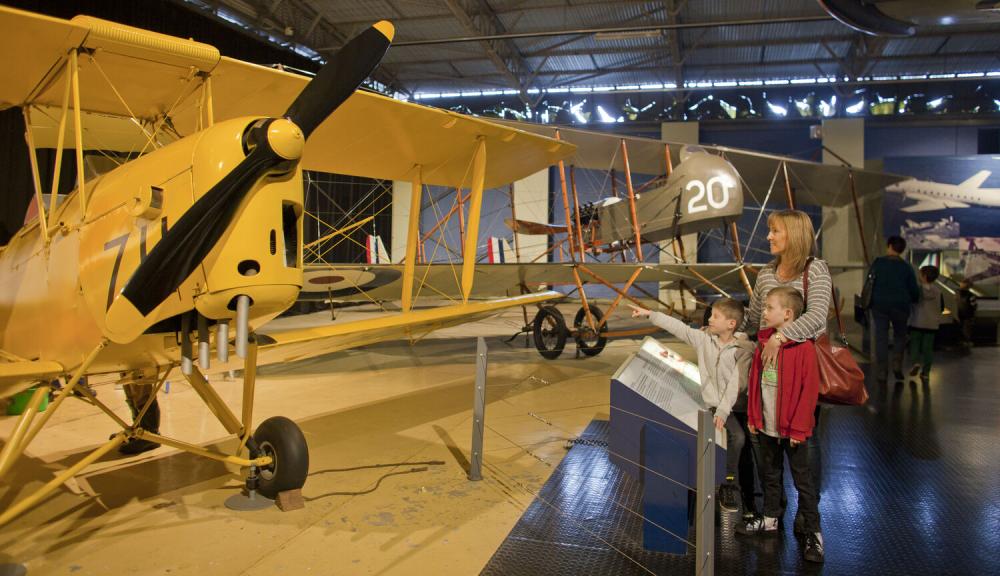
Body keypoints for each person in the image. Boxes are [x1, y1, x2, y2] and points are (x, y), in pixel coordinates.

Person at [741, 209, 831, 531]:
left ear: (792, 234)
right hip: (767, 373)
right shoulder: (766, 273)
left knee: (805, 440)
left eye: (775, 231)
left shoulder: (815, 269)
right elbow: (754, 319)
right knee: (767, 441)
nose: (768, 236)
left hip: (801, 372)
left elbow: (818, 316)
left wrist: (780, 337)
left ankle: (808, 513)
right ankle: (772, 510)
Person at [631, 299, 754, 514]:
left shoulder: (742, 349)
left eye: (715, 316)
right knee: (732, 438)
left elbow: (736, 383)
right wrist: (651, 314)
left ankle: (734, 487)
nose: (709, 319)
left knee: (741, 440)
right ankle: (716, 486)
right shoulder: (703, 339)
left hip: (735, 405)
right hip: (715, 403)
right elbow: (679, 328)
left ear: (731, 323)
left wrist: (724, 412)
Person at [737, 287, 824, 564]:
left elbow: (808, 392)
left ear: (787, 314)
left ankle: (814, 532)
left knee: (803, 482)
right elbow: (755, 385)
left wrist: (799, 429)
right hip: (767, 427)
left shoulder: (805, 348)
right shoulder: (764, 343)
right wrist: (753, 417)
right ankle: (771, 517)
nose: (763, 313)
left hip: (793, 431)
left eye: (769, 308)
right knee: (770, 476)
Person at [867, 236, 920, 382]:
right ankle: (897, 364)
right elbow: (914, 291)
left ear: (889, 246)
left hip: (879, 305)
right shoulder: (907, 267)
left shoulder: (878, 263)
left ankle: (882, 370)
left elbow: (869, 282)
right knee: (900, 335)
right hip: (901, 305)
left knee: (881, 337)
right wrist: (913, 299)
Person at [908, 265, 942, 381]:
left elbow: (911, 302)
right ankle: (926, 372)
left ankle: (915, 362)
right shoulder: (938, 291)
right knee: (928, 348)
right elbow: (941, 307)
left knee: (915, 344)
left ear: (924, 276)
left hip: (917, 321)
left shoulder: (917, 290)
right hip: (932, 324)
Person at [957, 278, 978, 348]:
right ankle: (966, 341)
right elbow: (974, 306)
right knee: (966, 329)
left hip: (963, 315)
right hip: (966, 315)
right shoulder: (970, 295)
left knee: (965, 329)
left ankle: (965, 341)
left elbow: (974, 305)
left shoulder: (958, 293)